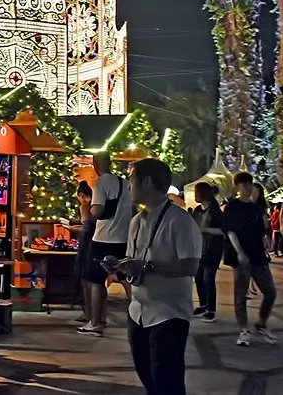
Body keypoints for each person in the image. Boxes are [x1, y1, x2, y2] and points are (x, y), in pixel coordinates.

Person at [113, 158, 201, 395]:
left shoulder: (180, 221)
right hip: (138, 312)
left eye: (132, 180)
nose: (129, 186)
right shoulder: (135, 221)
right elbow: (135, 260)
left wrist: (148, 267)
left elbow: (190, 266)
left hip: (169, 313)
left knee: (167, 381)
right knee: (148, 376)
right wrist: (121, 267)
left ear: (147, 182)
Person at [79, 151, 133, 337]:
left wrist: (87, 206)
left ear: (95, 164)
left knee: (96, 281)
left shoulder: (100, 183)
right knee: (126, 278)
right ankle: (139, 315)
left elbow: (97, 210)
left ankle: (95, 322)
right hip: (123, 238)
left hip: (103, 238)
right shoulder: (125, 183)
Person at [223, 171, 277, 347]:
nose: (247, 188)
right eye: (244, 185)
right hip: (240, 256)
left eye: (250, 184)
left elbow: (262, 231)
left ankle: (262, 323)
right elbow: (230, 230)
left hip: (258, 255)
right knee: (241, 294)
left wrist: (266, 239)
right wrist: (239, 251)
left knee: (270, 292)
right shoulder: (232, 207)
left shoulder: (257, 209)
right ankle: (243, 329)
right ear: (237, 187)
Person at [191, 181, 224, 322]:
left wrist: (204, 230)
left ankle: (211, 309)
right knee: (198, 277)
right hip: (199, 248)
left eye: (196, 192)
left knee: (208, 279)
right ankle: (203, 304)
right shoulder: (198, 209)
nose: (194, 195)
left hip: (212, 249)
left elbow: (223, 231)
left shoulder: (216, 211)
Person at [71, 181, 96, 324]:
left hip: (87, 246)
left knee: (86, 279)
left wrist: (73, 229)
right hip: (97, 244)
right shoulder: (97, 207)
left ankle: (89, 313)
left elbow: (87, 227)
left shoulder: (85, 207)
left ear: (81, 195)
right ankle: (98, 315)